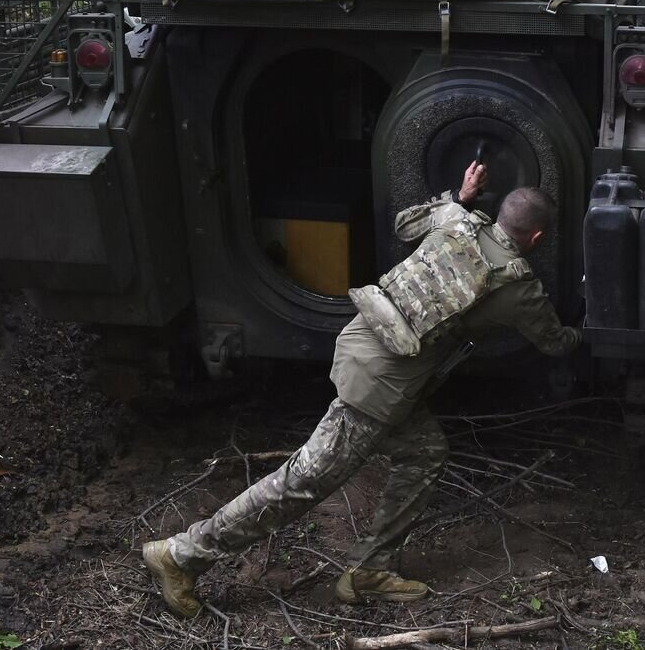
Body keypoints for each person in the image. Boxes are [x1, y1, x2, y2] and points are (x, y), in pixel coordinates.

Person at [143, 161, 581, 618]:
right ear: (536, 239)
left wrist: (461, 197)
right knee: (303, 482)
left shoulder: (458, 219)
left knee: (425, 452)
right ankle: (182, 555)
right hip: (380, 388)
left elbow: (404, 222)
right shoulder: (518, 287)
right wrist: (587, 329)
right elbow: (555, 341)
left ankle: (370, 569)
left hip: (364, 347)